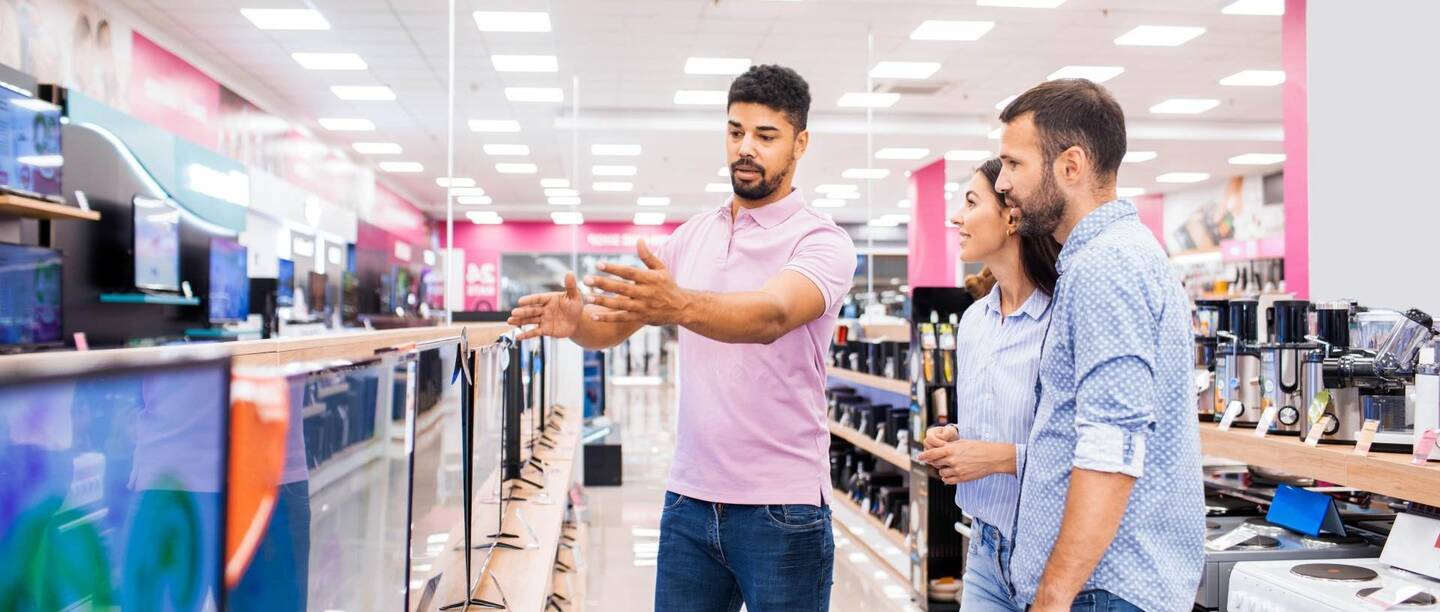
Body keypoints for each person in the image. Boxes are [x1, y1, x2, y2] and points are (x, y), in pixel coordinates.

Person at [506, 64, 856, 612]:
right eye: (736, 131)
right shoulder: (692, 237)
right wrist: (577, 324)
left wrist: (679, 304)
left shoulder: (821, 241)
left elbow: (772, 315)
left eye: (766, 136)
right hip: (690, 502)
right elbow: (612, 326)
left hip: (782, 510)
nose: (746, 147)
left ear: (800, 142)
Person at [992, 78, 1205, 612]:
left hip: (1102, 590)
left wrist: (1053, 593)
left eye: (1014, 164)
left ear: (1071, 165)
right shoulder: (1114, 256)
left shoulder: (1105, 266)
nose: (1002, 183)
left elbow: (1111, 448)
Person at [917, 158, 1060, 612]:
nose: (957, 216)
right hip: (984, 547)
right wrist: (955, 439)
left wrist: (997, 458)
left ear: (1012, 217)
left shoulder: (1059, 319)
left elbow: (1086, 450)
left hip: (1051, 550)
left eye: (971, 202)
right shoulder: (975, 320)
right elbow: (992, 420)